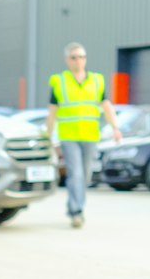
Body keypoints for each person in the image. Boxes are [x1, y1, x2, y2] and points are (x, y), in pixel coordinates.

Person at [47, 42, 121, 228]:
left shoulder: (97, 80)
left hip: (90, 135)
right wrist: (48, 137)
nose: (78, 61)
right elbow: (52, 112)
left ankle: (77, 206)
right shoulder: (59, 81)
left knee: (85, 175)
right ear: (67, 60)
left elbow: (106, 106)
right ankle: (76, 211)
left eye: (81, 57)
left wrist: (115, 128)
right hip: (69, 136)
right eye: (74, 57)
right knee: (76, 174)